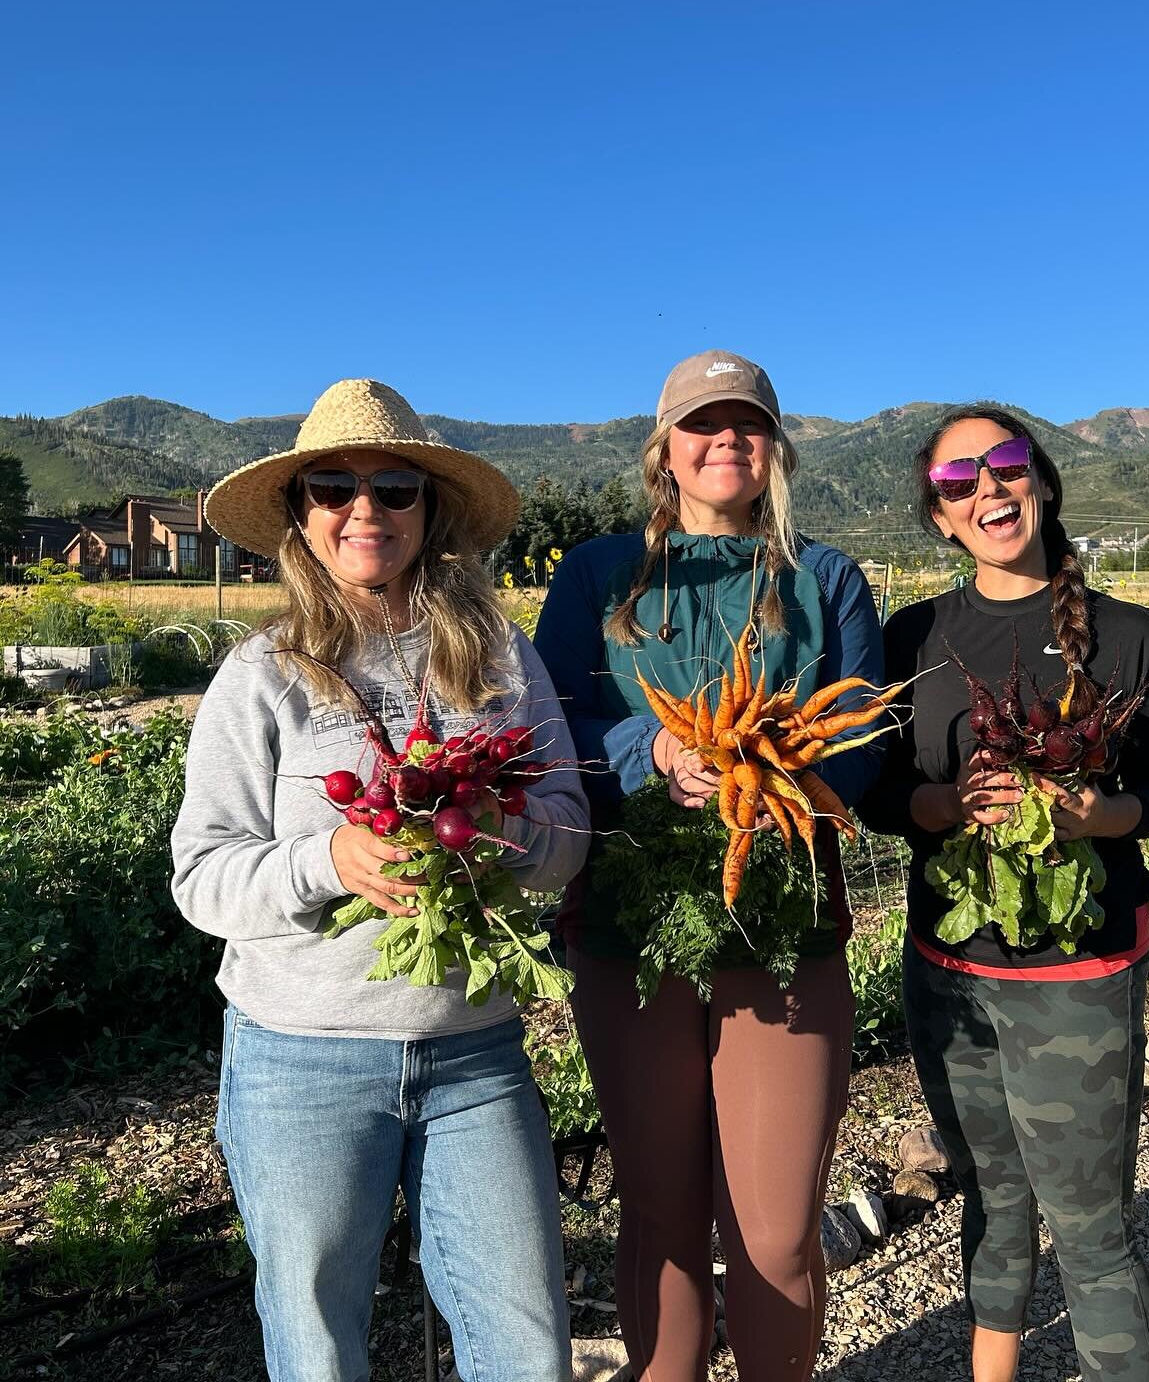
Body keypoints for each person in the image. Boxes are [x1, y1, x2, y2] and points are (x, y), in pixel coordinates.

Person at [171, 378, 587, 1382]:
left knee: (527, 1341)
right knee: (317, 1346)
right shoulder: (263, 672)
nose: (365, 510)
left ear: (429, 509)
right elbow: (201, 875)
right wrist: (329, 860)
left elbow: (570, 833)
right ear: (301, 518)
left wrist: (507, 835)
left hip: (475, 1053)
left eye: (394, 487)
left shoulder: (498, 657)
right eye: (332, 487)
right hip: (300, 1062)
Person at [534, 350, 882, 1381]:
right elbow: (551, 730)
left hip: (783, 929)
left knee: (775, 1233)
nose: (725, 439)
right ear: (666, 449)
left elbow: (860, 745)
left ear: (773, 446)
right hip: (630, 927)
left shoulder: (824, 580)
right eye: (702, 424)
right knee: (662, 1213)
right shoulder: (598, 573)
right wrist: (657, 749)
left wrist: (772, 768)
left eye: (747, 423)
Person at [858, 404, 1149, 1382]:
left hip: (1078, 976)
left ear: (1041, 481)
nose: (987, 490)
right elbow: (877, 789)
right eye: (957, 483)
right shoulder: (911, 636)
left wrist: (1098, 818)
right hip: (949, 975)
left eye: (1003, 465)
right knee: (991, 1203)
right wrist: (938, 799)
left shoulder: (1129, 639)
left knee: (1091, 1230)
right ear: (938, 517)